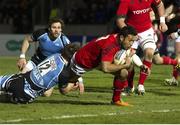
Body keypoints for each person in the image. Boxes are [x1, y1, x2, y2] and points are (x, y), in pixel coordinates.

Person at [68, 26, 144, 106]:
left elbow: (131, 53)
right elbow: (106, 68)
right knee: (64, 89)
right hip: (81, 63)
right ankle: (61, 75)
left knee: (123, 72)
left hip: (97, 62)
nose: (131, 44)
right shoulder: (110, 45)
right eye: (130, 41)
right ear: (122, 38)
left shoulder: (120, 40)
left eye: (133, 41)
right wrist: (125, 65)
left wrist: (141, 66)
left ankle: (116, 100)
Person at [16, 17, 84, 96]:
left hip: (51, 68)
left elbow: (73, 60)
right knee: (19, 79)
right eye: (54, 27)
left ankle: (69, 85)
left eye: (59, 28)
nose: (56, 30)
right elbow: (27, 40)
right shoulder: (41, 33)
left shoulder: (65, 41)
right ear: (49, 28)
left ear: (61, 29)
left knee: (46, 94)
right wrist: (22, 57)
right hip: (36, 62)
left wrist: (79, 79)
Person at [116, 0, 168, 95]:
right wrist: (129, 34)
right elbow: (119, 20)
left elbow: (160, 4)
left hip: (146, 31)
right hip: (131, 33)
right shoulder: (126, 1)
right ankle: (130, 87)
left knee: (150, 52)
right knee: (128, 61)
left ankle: (141, 85)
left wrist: (162, 22)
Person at [0, 43, 81, 104]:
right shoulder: (64, 72)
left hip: (18, 79)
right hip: (25, 93)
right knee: (7, 97)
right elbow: (64, 91)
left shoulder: (55, 55)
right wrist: (71, 84)